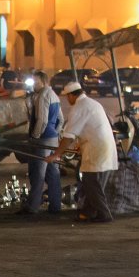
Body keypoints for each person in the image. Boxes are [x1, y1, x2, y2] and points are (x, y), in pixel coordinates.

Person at [46, 81, 117, 223]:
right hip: (105, 147)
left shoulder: (79, 107)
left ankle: (104, 214)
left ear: (72, 95)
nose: (67, 99)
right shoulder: (93, 103)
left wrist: (56, 154)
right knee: (93, 184)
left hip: (96, 149)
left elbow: (68, 136)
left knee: (91, 183)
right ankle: (89, 212)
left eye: (67, 96)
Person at [17, 71, 63, 215]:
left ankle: (33, 206)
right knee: (53, 174)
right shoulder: (54, 95)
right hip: (53, 139)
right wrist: (55, 133)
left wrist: (36, 137)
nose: (34, 85)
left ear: (43, 82)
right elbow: (60, 119)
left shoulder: (42, 96)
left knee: (38, 173)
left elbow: (41, 120)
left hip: (42, 140)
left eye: (36, 82)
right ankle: (55, 206)